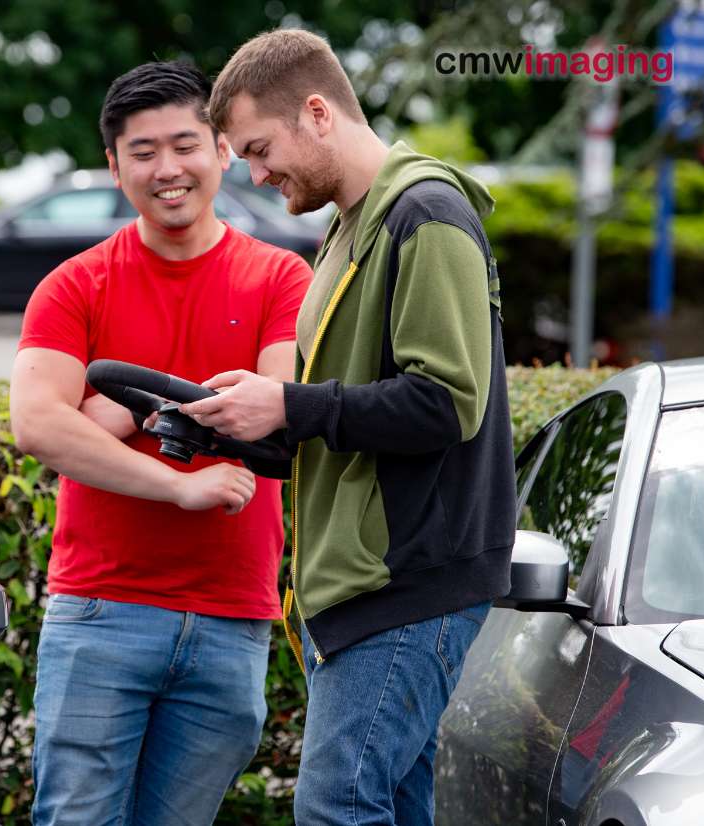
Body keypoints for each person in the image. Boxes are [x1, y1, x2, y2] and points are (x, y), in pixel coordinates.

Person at [180, 29, 517, 826]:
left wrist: (293, 405)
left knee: (336, 807)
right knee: (392, 806)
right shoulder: (349, 224)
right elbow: (355, 411)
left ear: (319, 113)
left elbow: (447, 402)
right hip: (371, 584)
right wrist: (251, 428)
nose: (256, 175)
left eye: (260, 149)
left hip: (405, 585)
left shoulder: (425, 214)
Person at [8, 61, 312, 826]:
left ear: (220, 150)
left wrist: (121, 408)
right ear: (113, 167)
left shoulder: (281, 278)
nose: (167, 169)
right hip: (101, 610)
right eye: (143, 152)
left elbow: (275, 409)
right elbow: (39, 424)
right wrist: (179, 484)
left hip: (232, 616)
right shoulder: (75, 285)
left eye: (185, 145)